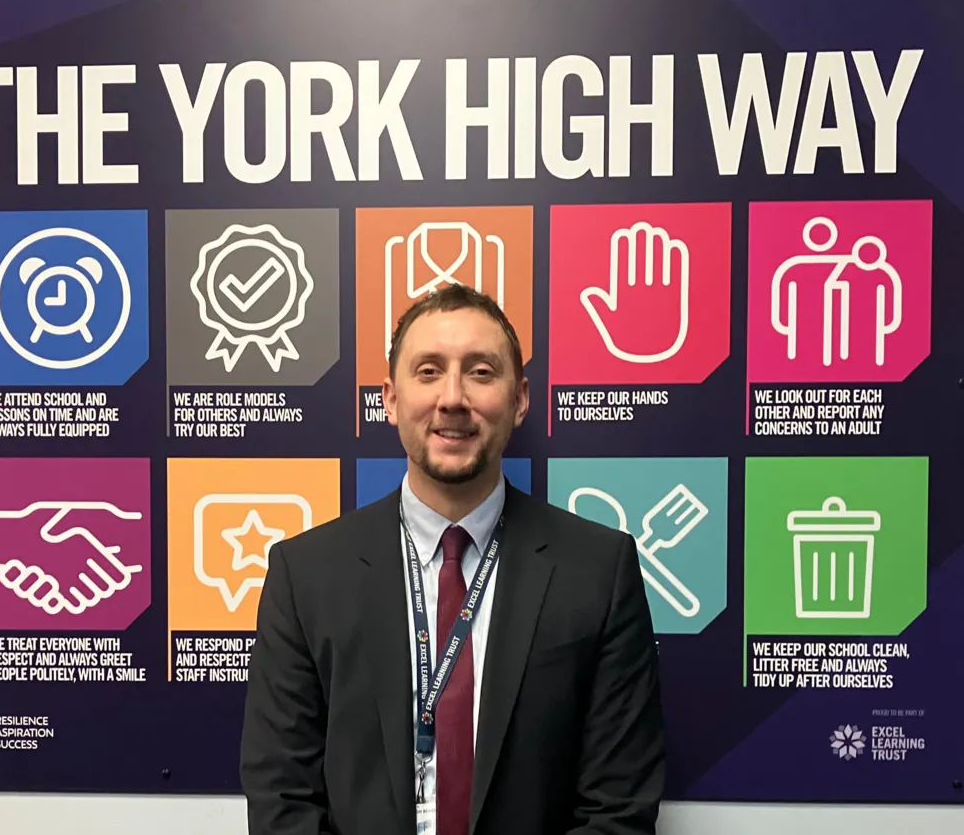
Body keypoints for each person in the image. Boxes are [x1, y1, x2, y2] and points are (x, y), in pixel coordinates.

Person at [239, 284, 665, 835]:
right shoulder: (307, 574)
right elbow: (281, 798)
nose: (453, 398)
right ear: (390, 399)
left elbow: (619, 808)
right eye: (428, 371)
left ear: (520, 399)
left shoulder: (599, 570)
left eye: (482, 372)